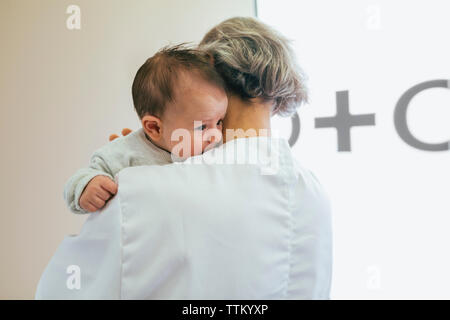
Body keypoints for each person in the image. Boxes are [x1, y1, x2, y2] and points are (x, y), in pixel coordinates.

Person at [36, 17, 332, 299]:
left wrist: (127, 175)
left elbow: (59, 291)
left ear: (211, 66)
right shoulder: (315, 194)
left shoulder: (142, 190)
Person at [63, 44, 228, 214]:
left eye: (219, 122)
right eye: (202, 126)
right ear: (155, 127)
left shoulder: (214, 151)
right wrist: (88, 186)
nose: (215, 135)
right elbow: (77, 180)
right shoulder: (124, 153)